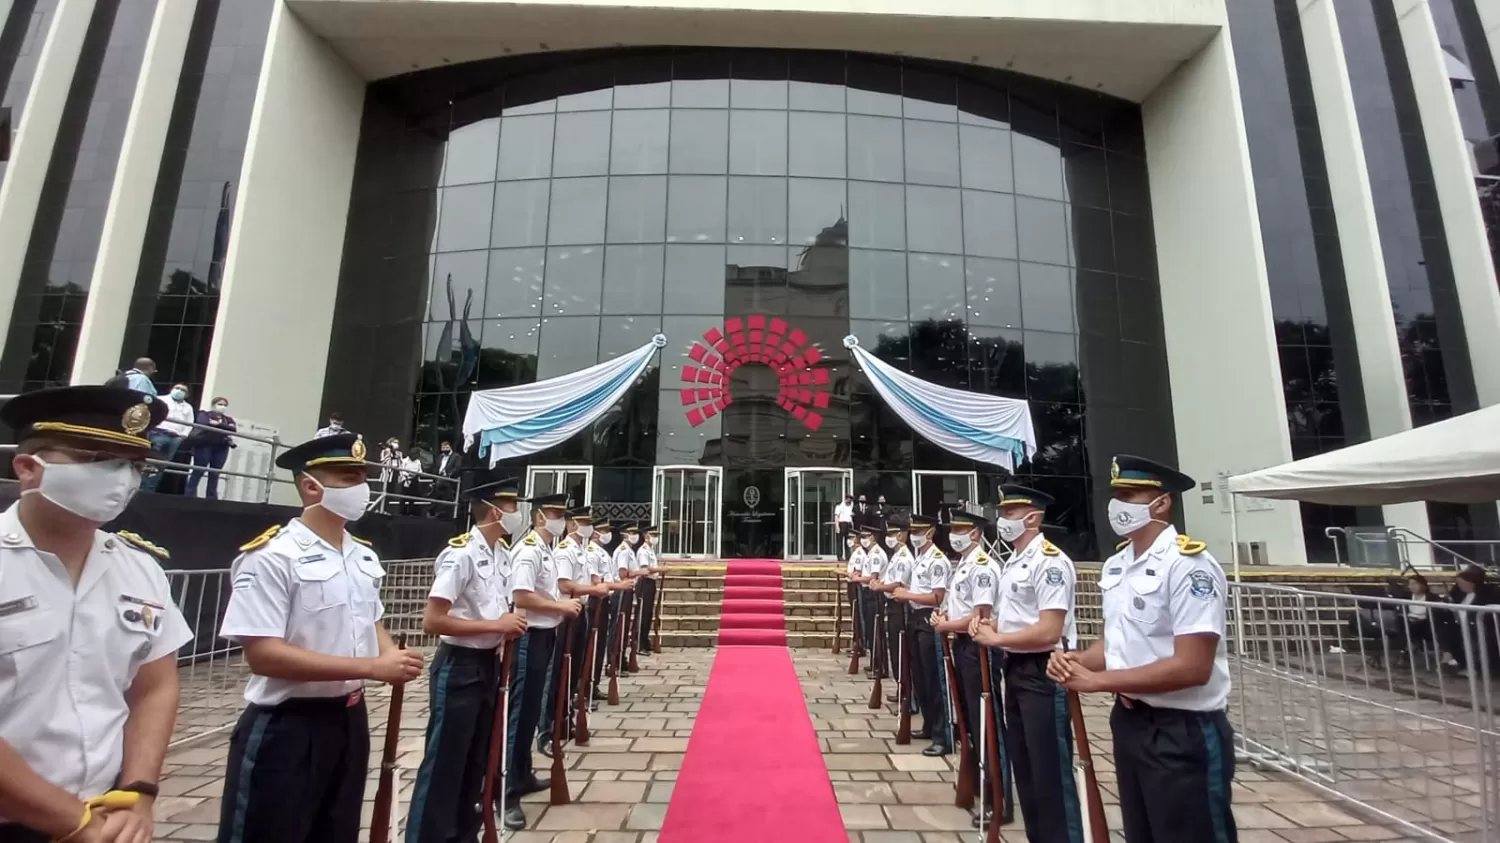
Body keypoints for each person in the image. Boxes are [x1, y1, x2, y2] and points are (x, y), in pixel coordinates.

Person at [0, 386, 193, 843]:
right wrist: (75, 822)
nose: (121, 478)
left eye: (134, 465)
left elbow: (155, 685)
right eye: (97, 458)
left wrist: (139, 792)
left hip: (108, 815)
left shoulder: (139, 567)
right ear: (28, 467)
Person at [215, 433, 424, 843]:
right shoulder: (272, 556)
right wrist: (373, 667)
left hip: (349, 718)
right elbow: (264, 655)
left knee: (336, 830)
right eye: (348, 477)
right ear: (311, 486)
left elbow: (371, 620)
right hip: (289, 725)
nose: (360, 487)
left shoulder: (361, 554)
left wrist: (392, 655)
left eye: (363, 476)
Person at [1047, 455, 1235, 843]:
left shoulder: (1189, 565)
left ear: (1161, 502)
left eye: (1129, 495)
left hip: (1181, 729)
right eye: (1115, 495)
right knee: (1142, 831)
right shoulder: (1117, 564)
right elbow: (1119, 640)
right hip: (1130, 720)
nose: (1117, 505)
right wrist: (1079, 661)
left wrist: (1098, 682)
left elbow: (1193, 666)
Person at [405, 475, 528, 843]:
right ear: (494, 510)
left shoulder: (502, 553)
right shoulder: (461, 553)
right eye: (511, 507)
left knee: (477, 760)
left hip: (489, 663)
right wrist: (496, 625)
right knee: (445, 762)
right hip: (459, 666)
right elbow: (433, 620)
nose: (516, 514)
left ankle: (462, 834)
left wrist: (503, 630)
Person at [972, 485, 1082, 843]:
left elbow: (1049, 630)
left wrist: (997, 639)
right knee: (1027, 767)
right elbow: (1017, 619)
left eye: (1011, 514)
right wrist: (991, 625)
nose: (1003, 521)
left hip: (1044, 671)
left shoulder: (1049, 562)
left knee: (1050, 771)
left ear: (1033, 518)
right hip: (1016, 668)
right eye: (1003, 513)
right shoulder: (1013, 562)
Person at [502, 494, 582, 831]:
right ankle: (505, 792)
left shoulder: (548, 549)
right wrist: (561, 607)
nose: (559, 519)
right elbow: (522, 595)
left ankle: (521, 773)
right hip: (528, 637)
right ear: (537, 516)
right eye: (553, 513)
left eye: (562, 514)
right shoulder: (530, 549)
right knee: (518, 715)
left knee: (532, 710)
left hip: (544, 636)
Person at [932, 510, 1012, 829]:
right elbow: (957, 605)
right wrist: (943, 617)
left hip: (980, 649)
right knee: (970, 720)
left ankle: (999, 799)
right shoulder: (964, 565)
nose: (956, 534)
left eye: (963, 529)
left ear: (976, 534)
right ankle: (983, 784)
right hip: (964, 645)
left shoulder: (983, 567)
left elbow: (981, 616)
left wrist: (947, 624)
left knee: (987, 722)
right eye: (954, 529)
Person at [538, 506, 609, 758]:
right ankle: (546, 729)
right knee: (556, 672)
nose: (588, 527)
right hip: (565, 613)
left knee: (574, 667)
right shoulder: (566, 550)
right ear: (571, 525)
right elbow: (565, 584)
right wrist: (593, 590)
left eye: (590, 522)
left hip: (580, 611)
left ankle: (564, 717)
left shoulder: (581, 550)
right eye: (583, 522)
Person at [892, 513, 950, 756]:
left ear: (931, 532)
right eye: (912, 532)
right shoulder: (919, 558)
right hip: (915, 617)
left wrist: (908, 596)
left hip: (929, 617)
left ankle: (942, 734)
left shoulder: (937, 559)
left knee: (933, 679)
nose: (914, 536)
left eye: (918, 532)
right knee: (920, 677)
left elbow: (938, 596)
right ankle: (928, 724)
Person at [591, 521, 635, 698]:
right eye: (602, 530)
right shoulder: (592, 552)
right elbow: (600, 580)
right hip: (598, 598)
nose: (606, 534)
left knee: (604, 638)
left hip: (610, 593)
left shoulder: (604, 552)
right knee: (609, 633)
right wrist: (621, 584)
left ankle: (593, 683)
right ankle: (590, 682)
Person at [872, 520, 914, 706]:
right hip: (892, 603)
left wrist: (880, 587)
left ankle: (906, 691)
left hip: (900, 606)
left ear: (901, 535)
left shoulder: (904, 557)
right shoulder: (896, 555)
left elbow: (899, 584)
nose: (889, 538)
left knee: (900, 649)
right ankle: (901, 687)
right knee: (895, 648)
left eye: (892, 534)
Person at [1447, 566, 1500, 678]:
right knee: (1448, 631)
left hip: (1480, 625)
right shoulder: (1458, 593)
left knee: (1475, 636)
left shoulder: (1488, 594)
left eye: (1462, 583)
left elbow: (1487, 615)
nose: (1460, 586)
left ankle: (1475, 667)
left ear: (1472, 583)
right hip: (1460, 625)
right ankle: (1457, 661)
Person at [142, 383, 194, 493]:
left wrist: (183, 436)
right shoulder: (161, 400)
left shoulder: (188, 407)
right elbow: (151, 414)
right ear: (172, 389)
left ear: (186, 394)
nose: (179, 391)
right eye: (177, 388)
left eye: (183, 390)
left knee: (163, 465)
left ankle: (151, 490)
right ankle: (141, 488)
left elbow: (190, 423)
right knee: (151, 462)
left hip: (175, 438)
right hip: (159, 434)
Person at [186, 397, 237, 499]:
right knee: (199, 470)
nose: (222, 407)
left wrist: (217, 424)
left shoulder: (228, 419)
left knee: (215, 473)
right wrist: (223, 426)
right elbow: (203, 422)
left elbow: (233, 429)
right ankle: (190, 495)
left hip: (221, 448)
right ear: (214, 405)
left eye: (224, 405)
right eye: (220, 404)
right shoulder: (204, 414)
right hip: (204, 445)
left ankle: (211, 497)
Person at [635, 524, 662, 655]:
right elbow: (645, 569)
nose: (656, 538)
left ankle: (645, 641)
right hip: (644, 583)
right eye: (654, 535)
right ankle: (640, 644)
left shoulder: (650, 550)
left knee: (648, 614)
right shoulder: (643, 550)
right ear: (646, 536)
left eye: (657, 535)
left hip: (651, 583)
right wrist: (660, 570)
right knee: (643, 614)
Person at [834, 495, 854, 561]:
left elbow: (850, 517)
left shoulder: (850, 507)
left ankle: (848, 556)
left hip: (848, 524)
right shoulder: (839, 506)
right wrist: (837, 526)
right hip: (842, 523)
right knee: (839, 541)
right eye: (849, 499)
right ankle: (840, 556)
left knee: (848, 541)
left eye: (851, 500)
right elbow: (836, 516)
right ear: (846, 499)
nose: (850, 501)